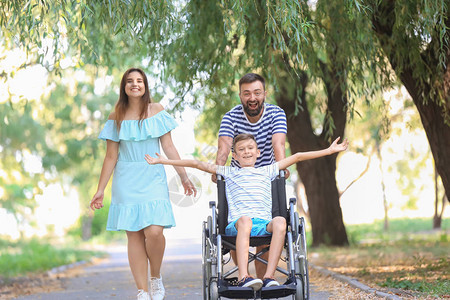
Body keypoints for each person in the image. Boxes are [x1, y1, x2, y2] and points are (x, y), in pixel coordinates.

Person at [145, 133, 348, 290]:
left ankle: (268, 277)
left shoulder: (268, 170)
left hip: (262, 225)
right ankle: (244, 277)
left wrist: (329, 151)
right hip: (237, 225)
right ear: (235, 155)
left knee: (279, 222)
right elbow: (197, 164)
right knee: (245, 220)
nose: (247, 151)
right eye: (241, 149)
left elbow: (298, 156)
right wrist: (165, 161)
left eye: (251, 148)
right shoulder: (228, 171)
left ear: (258, 152)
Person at [90, 68, 197, 300]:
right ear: (124, 87)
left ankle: (155, 278)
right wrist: (100, 190)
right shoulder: (115, 116)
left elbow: (169, 147)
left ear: (145, 85)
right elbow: (110, 157)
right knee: (135, 235)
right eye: (130, 81)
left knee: (155, 231)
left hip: (152, 175)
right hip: (126, 179)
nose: (135, 84)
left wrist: (183, 176)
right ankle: (142, 291)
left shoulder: (157, 110)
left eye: (139, 81)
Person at [214, 72, 288, 279]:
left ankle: (264, 284)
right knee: (241, 227)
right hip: (239, 176)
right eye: (247, 94)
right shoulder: (230, 117)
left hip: (268, 174)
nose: (252, 98)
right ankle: (245, 276)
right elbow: (223, 148)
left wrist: (281, 169)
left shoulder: (276, 113)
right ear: (240, 96)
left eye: (256, 93)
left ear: (265, 93)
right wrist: (218, 170)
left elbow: (278, 145)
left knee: (265, 234)